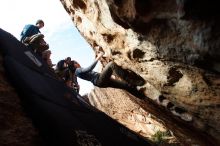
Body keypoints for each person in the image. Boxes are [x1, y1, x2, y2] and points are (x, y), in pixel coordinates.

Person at [74, 52, 145, 93]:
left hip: (99, 81)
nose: (78, 63)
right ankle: (133, 81)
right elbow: (89, 68)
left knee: (124, 86)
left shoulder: (78, 72)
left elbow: (90, 72)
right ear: (75, 65)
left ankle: (141, 96)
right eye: (76, 63)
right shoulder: (77, 70)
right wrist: (98, 57)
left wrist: (96, 58)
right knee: (111, 65)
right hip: (99, 80)